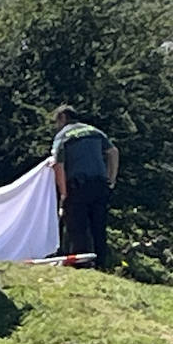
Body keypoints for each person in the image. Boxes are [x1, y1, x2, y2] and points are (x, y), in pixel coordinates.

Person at [51, 105, 119, 270]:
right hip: (99, 184)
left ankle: (82, 266)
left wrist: (63, 194)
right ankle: (101, 264)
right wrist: (111, 178)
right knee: (98, 225)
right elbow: (113, 151)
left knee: (77, 226)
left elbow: (58, 165)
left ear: (63, 118)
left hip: (78, 186)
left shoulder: (63, 136)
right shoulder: (94, 131)